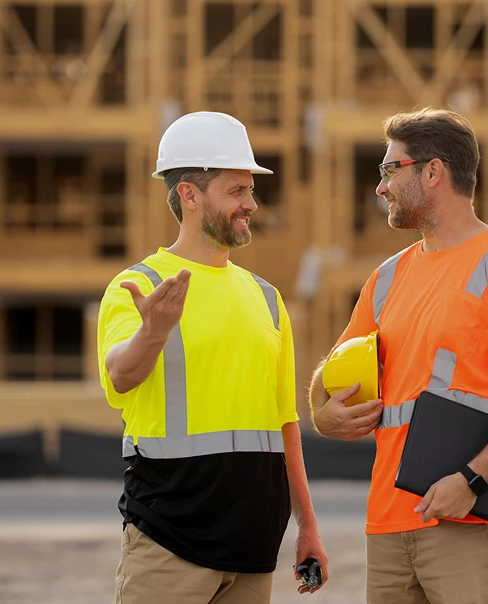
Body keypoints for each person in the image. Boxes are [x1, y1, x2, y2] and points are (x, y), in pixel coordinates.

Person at [308, 107, 488, 604]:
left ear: (433, 172)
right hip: (388, 524)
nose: (380, 187)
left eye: (390, 170)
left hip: (468, 522)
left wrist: (471, 481)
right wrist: (324, 414)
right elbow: (332, 374)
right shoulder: (386, 278)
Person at [97, 111, 328, 604]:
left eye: (251, 190)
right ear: (189, 194)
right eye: (236, 191)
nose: (251, 204)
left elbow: (284, 422)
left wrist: (308, 525)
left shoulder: (267, 298)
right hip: (169, 541)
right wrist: (153, 331)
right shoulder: (139, 285)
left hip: (253, 547)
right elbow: (120, 376)